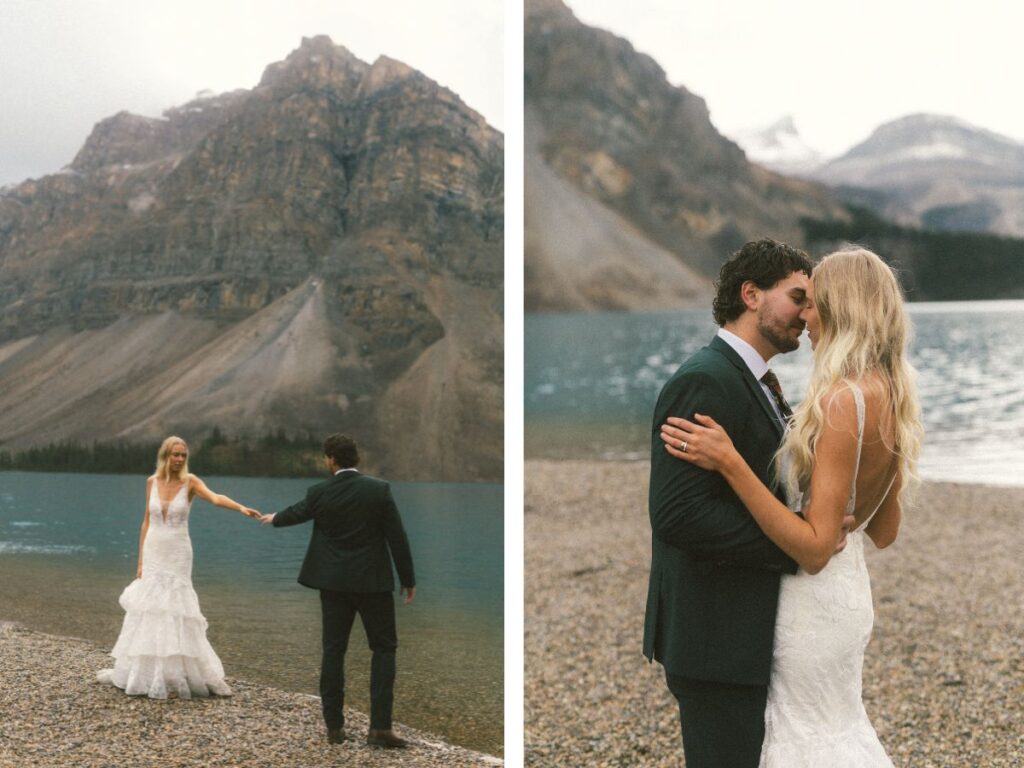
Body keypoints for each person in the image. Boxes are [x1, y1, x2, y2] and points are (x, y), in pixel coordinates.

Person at [659, 246, 922, 767]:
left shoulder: (841, 400)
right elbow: (885, 530)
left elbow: (816, 548)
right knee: (836, 729)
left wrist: (732, 463)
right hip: (849, 600)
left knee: (806, 739)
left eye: (815, 301)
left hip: (812, 605)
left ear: (843, 307)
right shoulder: (891, 393)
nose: (807, 315)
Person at [643, 238, 855, 768]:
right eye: (799, 298)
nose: (809, 315)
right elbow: (679, 514)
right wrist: (795, 544)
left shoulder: (755, 379)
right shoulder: (704, 380)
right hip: (715, 637)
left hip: (741, 635)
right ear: (751, 294)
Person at [259, 433, 416, 748]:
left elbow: (296, 513)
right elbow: (396, 537)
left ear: (330, 459)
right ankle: (380, 729)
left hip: (333, 586)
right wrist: (408, 579)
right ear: (355, 459)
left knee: (334, 651)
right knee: (383, 650)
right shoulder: (379, 490)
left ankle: (334, 728)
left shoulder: (319, 492)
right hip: (373, 585)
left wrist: (273, 518)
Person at [97, 436, 261, 698]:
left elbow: (216, 498)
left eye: (183, 455)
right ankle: (146, 673)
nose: (180, 459)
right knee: (151, 607)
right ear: (165, 456)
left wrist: (241, 508)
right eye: (175, 454)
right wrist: (140, 560)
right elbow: (145, 522)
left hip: (178, 552)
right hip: (153, 550)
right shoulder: (151, 482)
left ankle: (176, 675)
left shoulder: (191, 482)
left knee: (176, 607)